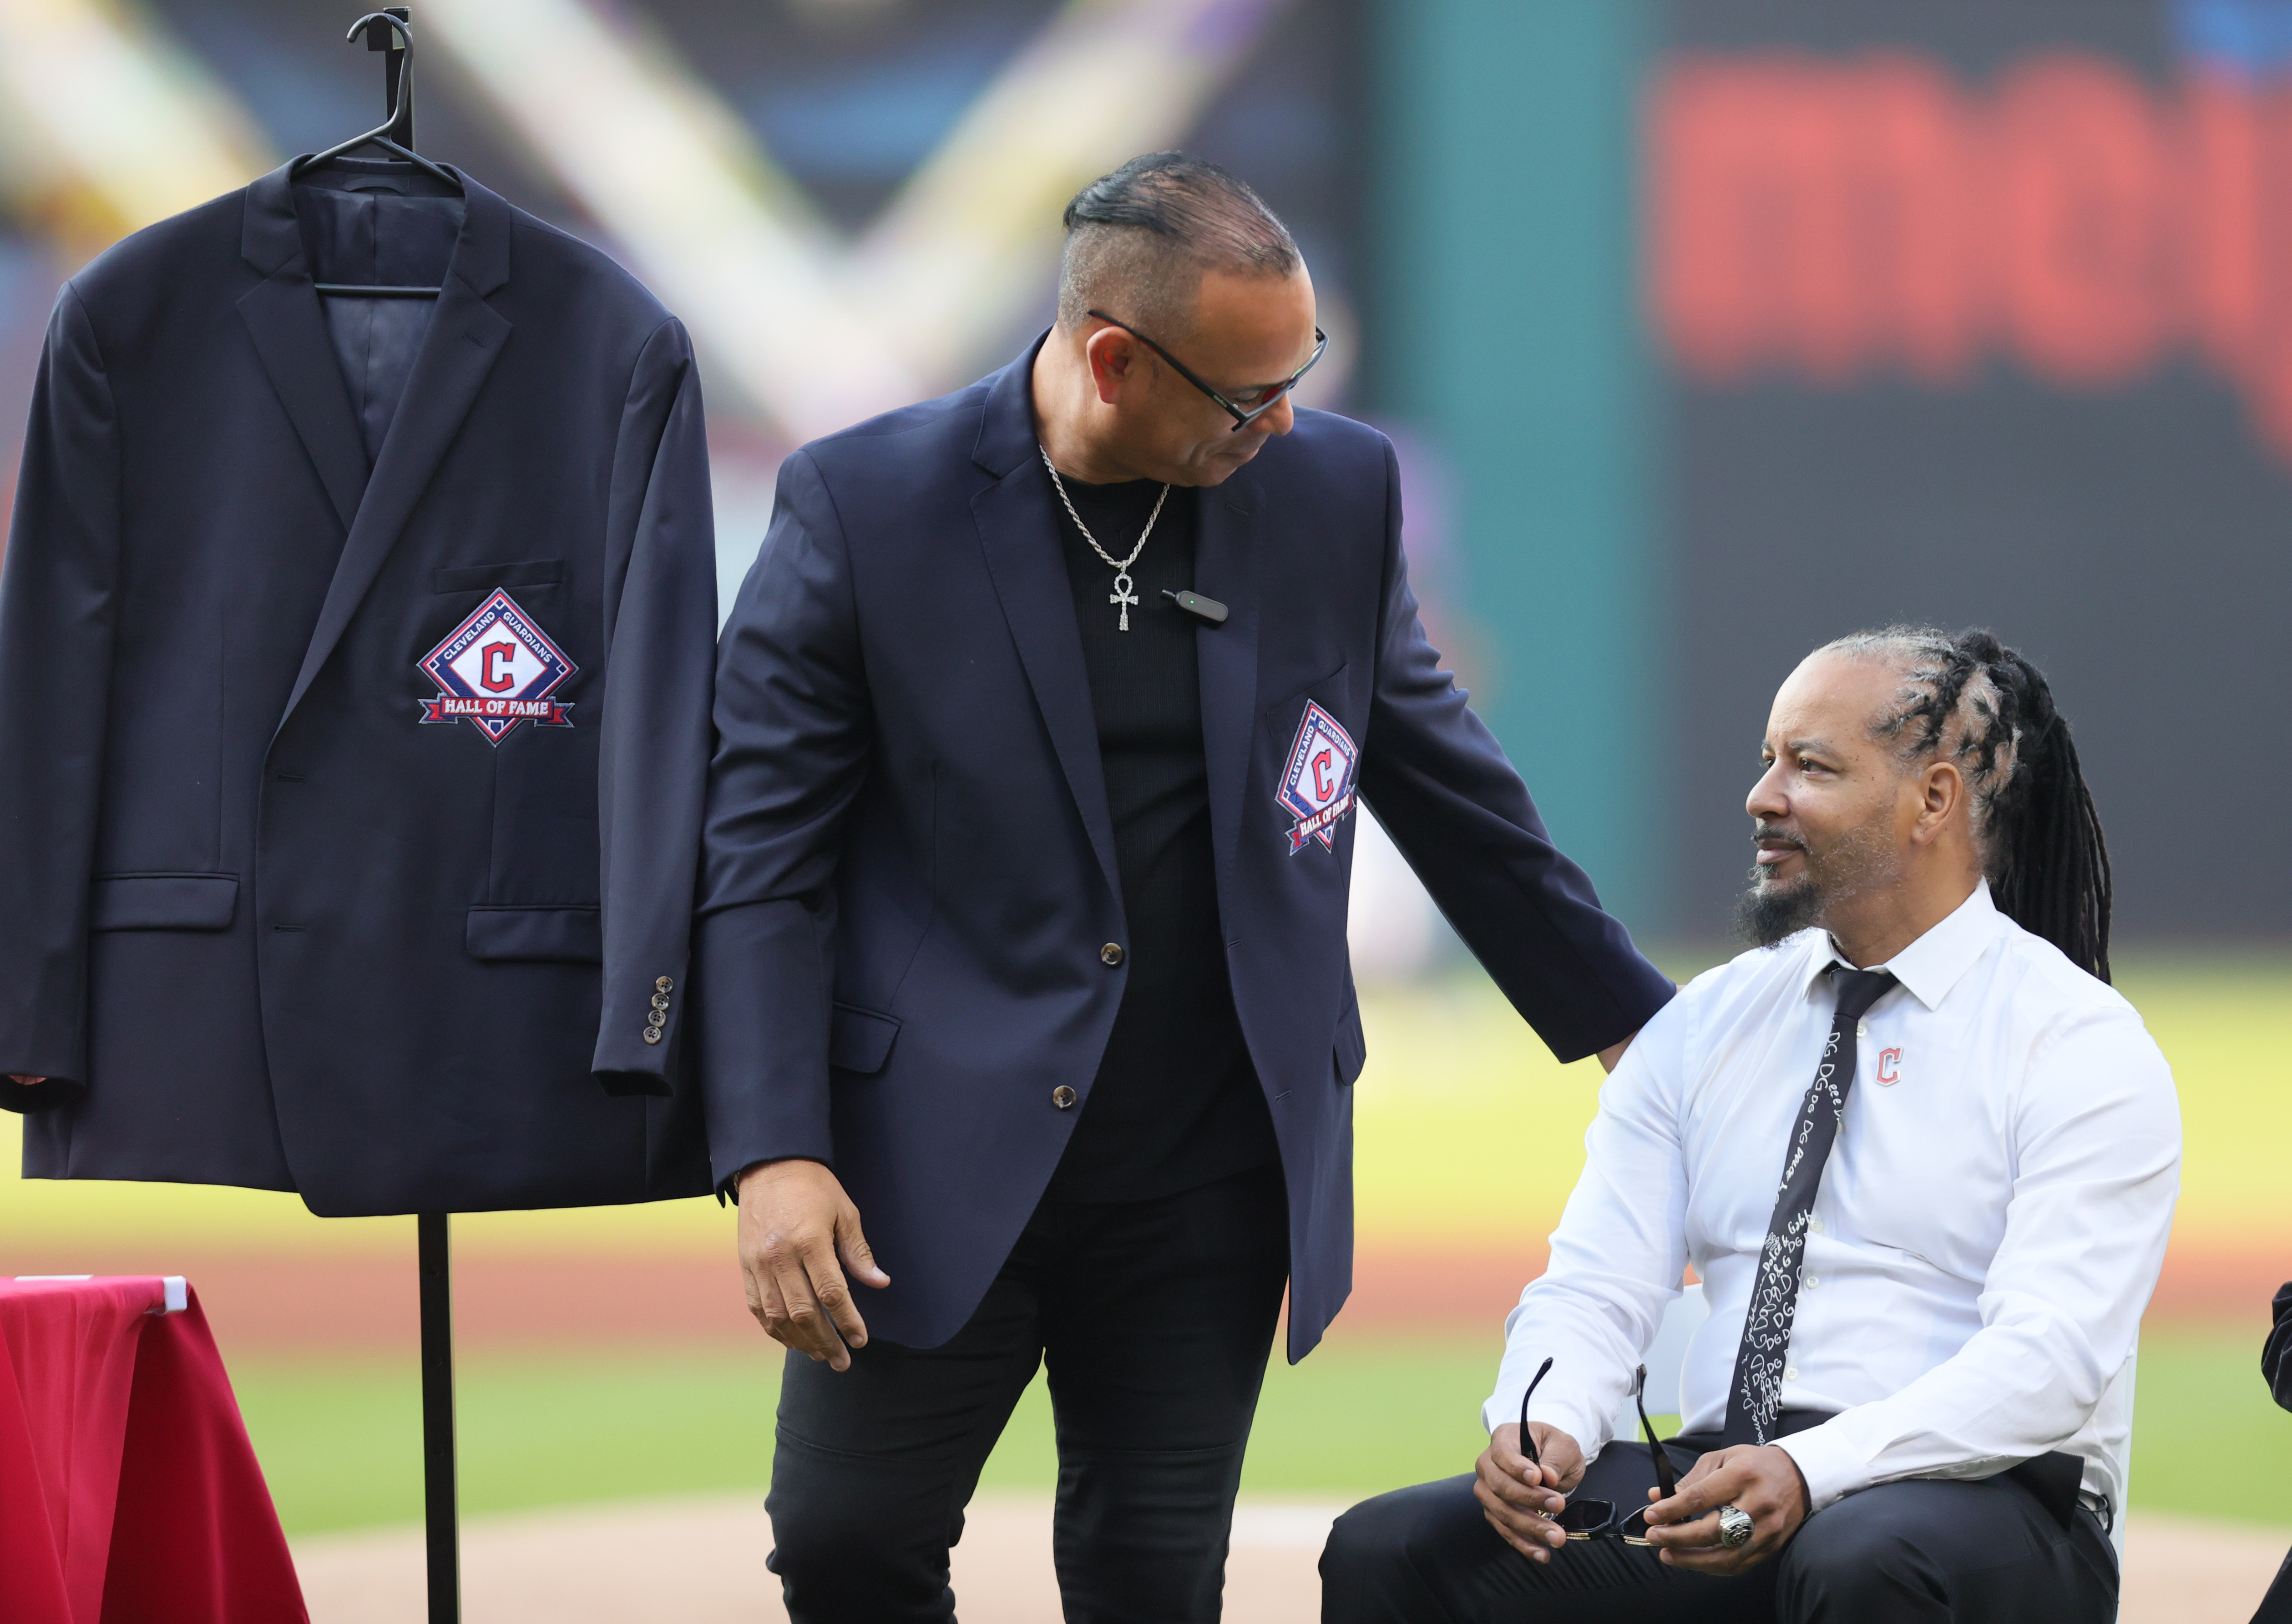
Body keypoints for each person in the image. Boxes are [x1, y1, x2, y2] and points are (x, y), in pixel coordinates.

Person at [697, 152, 1674, 1622]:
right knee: (844, 1542)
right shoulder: (864, 506)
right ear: (1109, 358)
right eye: (1241, 394)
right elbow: (758, 855)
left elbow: (1449, 787)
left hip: (1210, 1161)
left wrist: (1643, 1030)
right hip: (924, 1156)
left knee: (1151, 1574)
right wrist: (771, 1147)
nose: (1280, 420)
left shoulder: (1330, 492)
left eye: (1300, 375)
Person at [1322, 626, 2182, 1624]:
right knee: (1390, 1550)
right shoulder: (1706, 1022)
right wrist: (1545, 1420)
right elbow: (1596, 1282)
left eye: (1808, 766)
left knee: (1858, 1558)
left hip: (1985, 1500)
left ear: (1932, 801)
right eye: (1767, 760)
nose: (1762, 797)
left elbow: (2048, 1365)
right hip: (1726, 1476)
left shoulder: (2073, 1040)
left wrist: (1808, 1469)